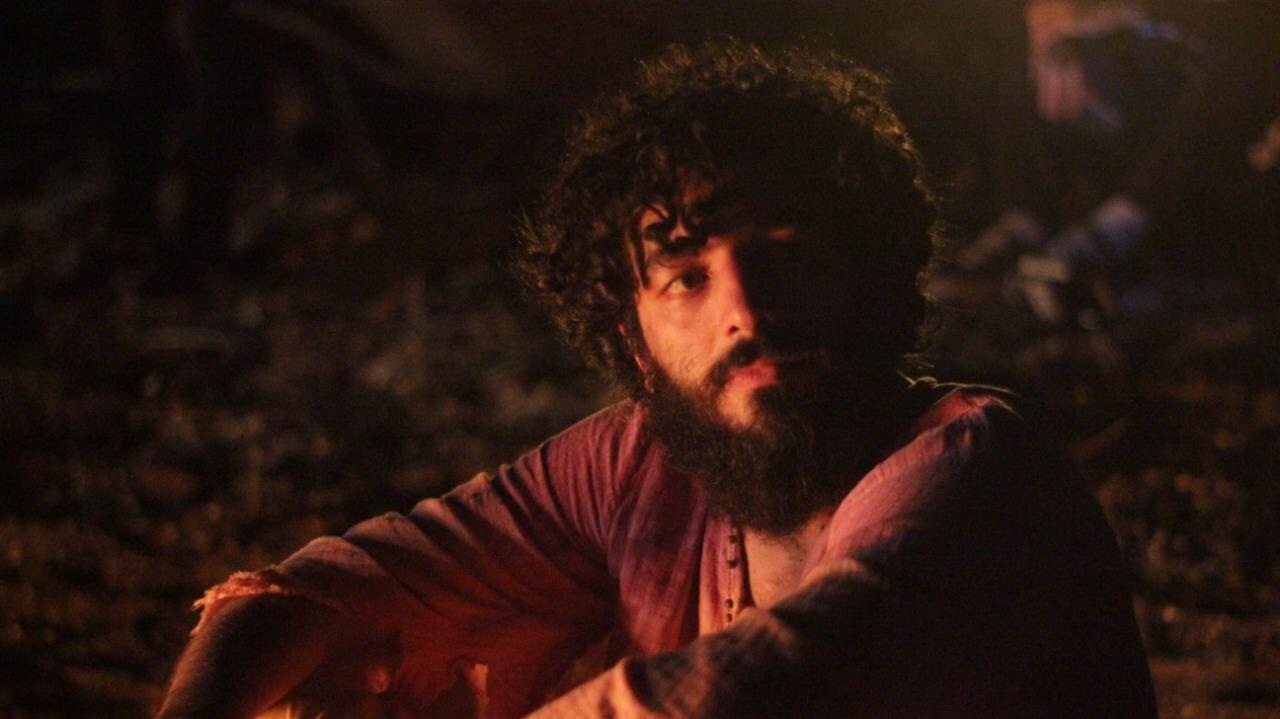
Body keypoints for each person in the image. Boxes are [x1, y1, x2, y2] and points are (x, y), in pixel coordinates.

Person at [157, 39, 1156, 718]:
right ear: (632, 342)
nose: (746, 309)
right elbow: (310, 595)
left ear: (869, 273)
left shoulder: (973, 474)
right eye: (686, 276)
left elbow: (734, 699)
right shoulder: (638, 465)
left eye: (784, 253)